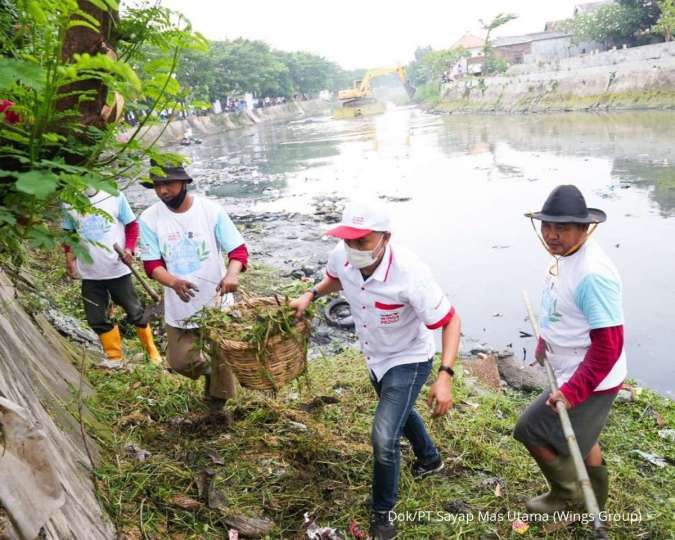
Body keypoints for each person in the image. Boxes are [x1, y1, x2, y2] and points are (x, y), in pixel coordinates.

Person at [290, 200, 461, 540]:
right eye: (348, 240)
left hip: (409, 358)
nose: (353, 249)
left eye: (362, 241)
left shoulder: (411, 274)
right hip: (375, 354)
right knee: (397, 410)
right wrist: (310, 294)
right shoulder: (342, 255)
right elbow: (335, 279)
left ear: (385, 237)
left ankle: (382, 514)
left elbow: (451, 320)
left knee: (384, 437)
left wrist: (445, 376)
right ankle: (429, 460)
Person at [514, 184, 626, 514]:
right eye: (547, 225)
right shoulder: (567, 257)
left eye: (561, 228)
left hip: (591, 377)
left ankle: (567, 496)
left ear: (584, 228)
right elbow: (563, 310)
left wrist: (573, 391)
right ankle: (594, 502)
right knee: (585, 439)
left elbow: (609, 346)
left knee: (530, 429)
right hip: (568, 364)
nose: (551, 235)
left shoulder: (592, 274)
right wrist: (545, 340)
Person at [138, 162, 249, 412]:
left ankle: (217, 408)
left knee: (223, 355)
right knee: (179, 362)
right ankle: (211, 371)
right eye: (157, 186)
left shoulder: (211, 211)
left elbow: (238, 251)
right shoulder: (149, 219)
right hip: (180, 304)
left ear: (184, 183)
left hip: (216, 301)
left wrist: (231, 275)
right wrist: (174, 282)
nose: (163, 191)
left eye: (168, 184)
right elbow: (152, 264)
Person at [63, 188, 161, 367]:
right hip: (90, 273)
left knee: (135, 312)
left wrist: (129, 249)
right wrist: (70, 258)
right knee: (96, 317)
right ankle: (114, 357)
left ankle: (152, 352)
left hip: (117, 268)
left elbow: (132, 225)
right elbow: (69, 233)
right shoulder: (68, 200)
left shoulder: (113, 195)